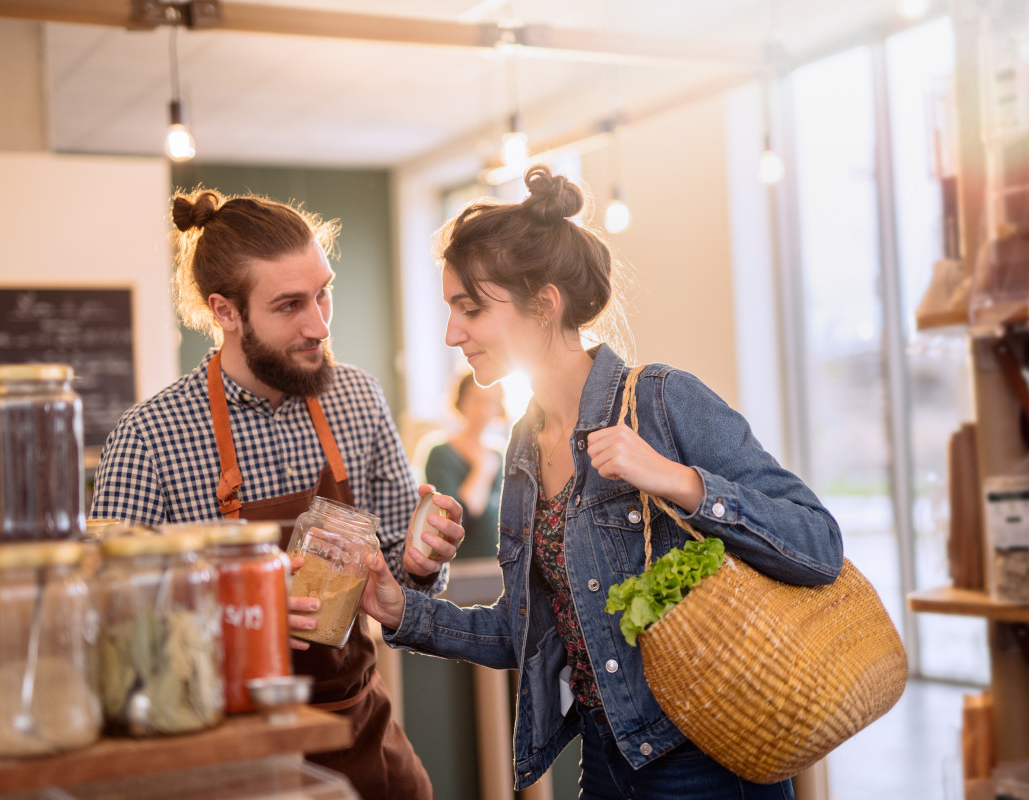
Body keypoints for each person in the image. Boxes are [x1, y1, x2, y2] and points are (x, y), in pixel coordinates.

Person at [359, 165, 844, 799]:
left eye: (470, 308)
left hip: (706, 765)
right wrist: (407, 614)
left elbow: (818, 543)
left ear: (545, 303)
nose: (453, 333)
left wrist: (674, 480)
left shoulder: (663, 400)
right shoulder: (525, 446)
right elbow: (528, 630)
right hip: (607, 763)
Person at [89, 188, 465, 800]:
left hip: (357, 729)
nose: (318, 324)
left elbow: (399, 565)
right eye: (289, 304)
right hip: (224, 749)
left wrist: (421, 565)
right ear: (226, 311)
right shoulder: (150, 437)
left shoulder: (357, 399)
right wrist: (239, 614)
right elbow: (109, 620)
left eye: (324, 293)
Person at [422, 371, 505, 559]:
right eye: (477, 400)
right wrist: (481, 470)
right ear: (461, 401)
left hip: (495, 564)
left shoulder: (500, 456)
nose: (484, 410)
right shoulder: (441, 454)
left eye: (491, 401)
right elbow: (456, 521)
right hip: (459, 566)